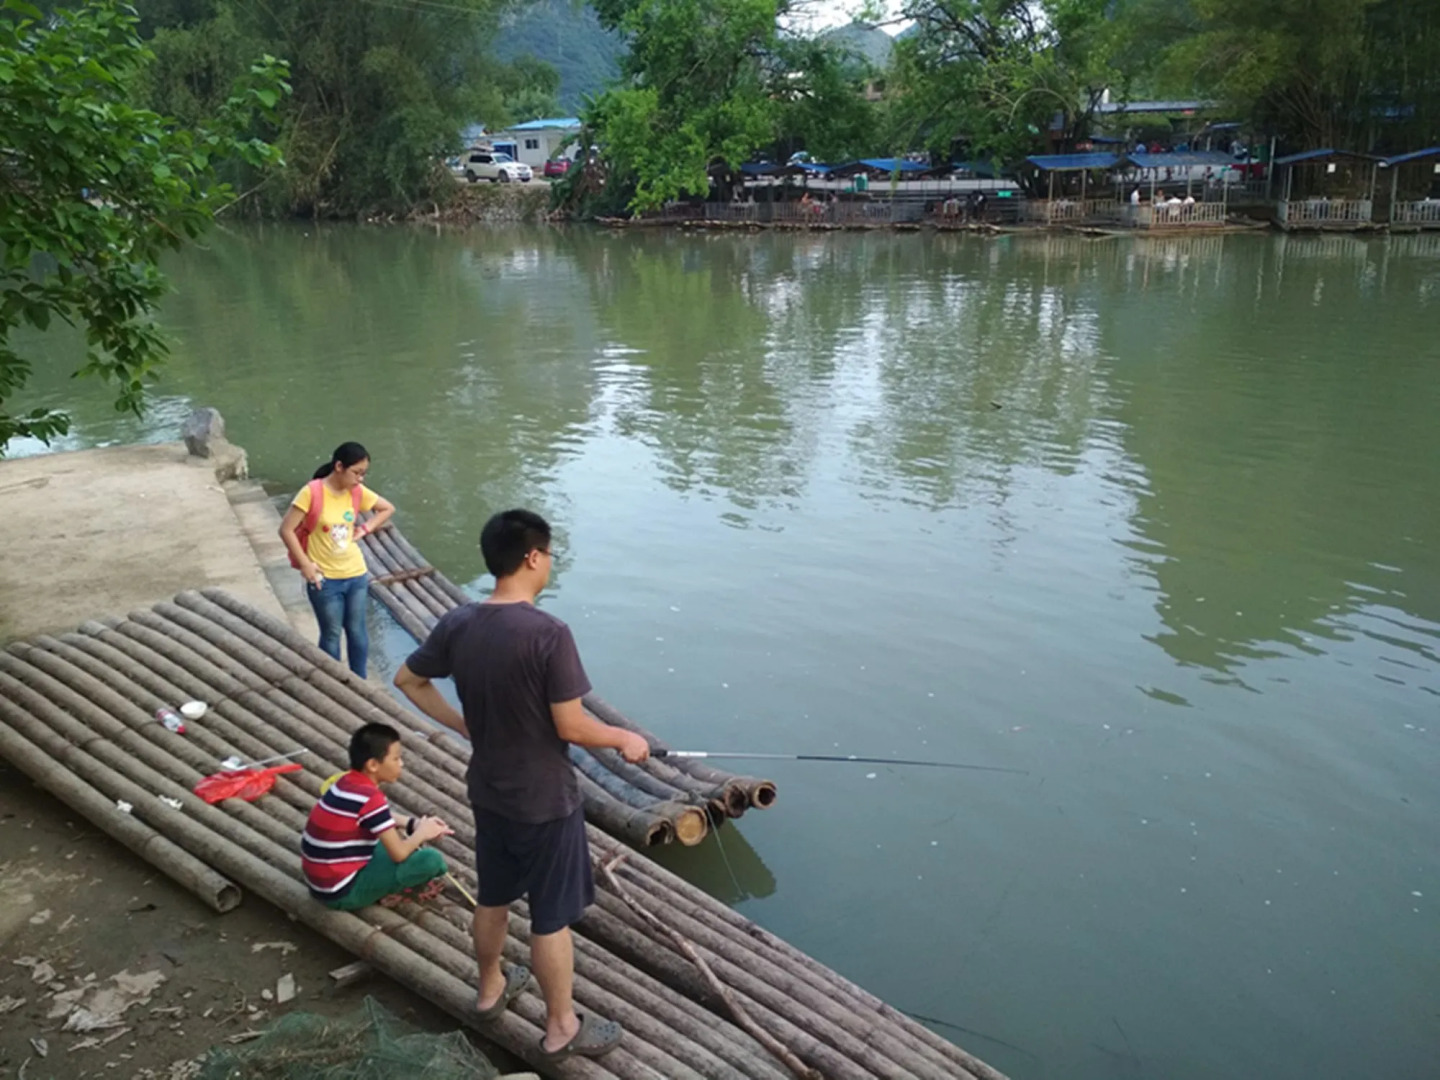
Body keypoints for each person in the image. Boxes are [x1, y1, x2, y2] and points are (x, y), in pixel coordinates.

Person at [394, 509, 649, 1062]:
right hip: (545, 801)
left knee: (493, 896)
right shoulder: (549, 634)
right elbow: (571, 726)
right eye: (549, 554)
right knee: (550, 917)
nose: (550, 562)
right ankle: (561, 1027)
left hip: (489, 790)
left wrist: (462, 724)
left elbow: (408, 679)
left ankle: (490, 990)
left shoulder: (459, 623)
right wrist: (623, 738)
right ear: (533, 557)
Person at [301, 723, 452, 910]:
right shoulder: (371, 798)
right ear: (373, 765)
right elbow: (398, 854)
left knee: (391, 840)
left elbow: (376, 818)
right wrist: (423, 833)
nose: (401, 764)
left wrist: (412, 824)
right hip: (341, 893)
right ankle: (400, 890)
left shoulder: (346, 782)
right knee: (430, 860)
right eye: (396, 759)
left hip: (321, 882)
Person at [279, 442, 394, 677]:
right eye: (356, 473)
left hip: (355, 573)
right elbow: (286, 530)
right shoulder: (312, 492)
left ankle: (359, 683)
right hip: (325, 578)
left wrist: (365, 529)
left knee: (357, 631)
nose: (360, 479)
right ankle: (332, 684)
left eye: (363, 473)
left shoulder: (357, 492)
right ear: (339, 466)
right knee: (331, 634)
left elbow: (386, 508)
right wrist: (306, 565)